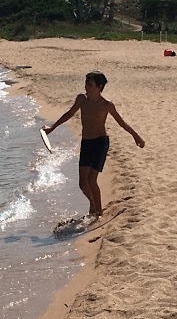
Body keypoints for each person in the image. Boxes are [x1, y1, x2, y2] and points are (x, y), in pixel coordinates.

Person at [45, 71, 145, 219]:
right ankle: (93, 203)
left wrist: (136, 136)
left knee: (92, 179)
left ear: (99, 87)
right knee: (82, 184)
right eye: (86, 84)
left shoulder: (106, 105)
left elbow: (121, 122)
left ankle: (99, 213)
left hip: (100, 143)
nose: (86, 87)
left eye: (90, 85)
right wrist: (52, 128)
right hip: (86, 143)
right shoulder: (81, 100)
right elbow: (68, 114)